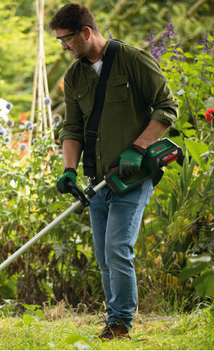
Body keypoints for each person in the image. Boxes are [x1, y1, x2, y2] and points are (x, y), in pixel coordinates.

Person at [49, 4, 178, 340]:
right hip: (99, 179)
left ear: (86, 32)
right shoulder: (74, 76)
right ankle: (113, 320)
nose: (64, 47)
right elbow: (72, 128)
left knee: (118, 248)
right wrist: (69, 171)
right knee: (105, 255)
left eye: (66, 39)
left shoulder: (132, 60)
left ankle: (120, 323)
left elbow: (168, 108)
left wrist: (137, 148)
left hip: (132, 175)